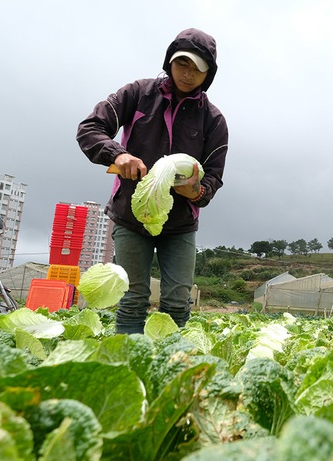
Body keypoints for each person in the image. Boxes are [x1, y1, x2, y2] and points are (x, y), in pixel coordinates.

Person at [77, 28, 228, 334]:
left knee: (176, 301)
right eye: (182, 63)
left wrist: (196, 191)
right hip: (131, 217)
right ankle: (129, 367)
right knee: (132, 299)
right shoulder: (137, 94)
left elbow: (213, 178)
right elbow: (90, 128)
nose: (188, 74)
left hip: (180, 224)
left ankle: (170, 367)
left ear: (209, 73)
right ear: (169, 61)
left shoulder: (213, 120)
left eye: (198, 68)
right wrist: (118, 155)